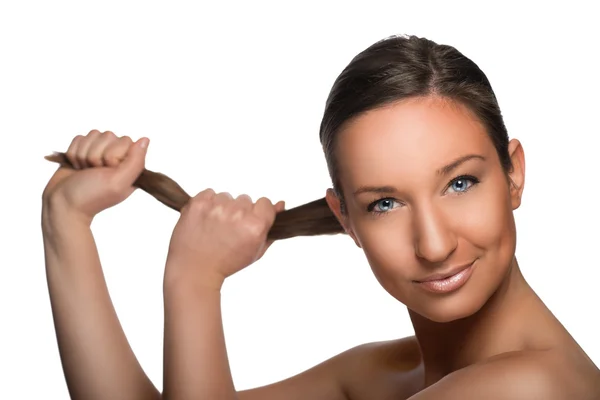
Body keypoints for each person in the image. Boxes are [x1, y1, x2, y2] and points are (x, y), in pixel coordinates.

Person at [41, 34, 600, 399]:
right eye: (385, 203)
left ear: (514, 174)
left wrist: (193, 281)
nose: (433, 244)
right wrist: (65, 222)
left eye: (459, 183)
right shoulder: (386, 376)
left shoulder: (529, 387)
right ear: (347, 218)